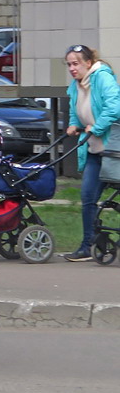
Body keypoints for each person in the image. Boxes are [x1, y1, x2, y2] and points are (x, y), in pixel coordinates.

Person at [62, 43, 120, 261]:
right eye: (69, 64)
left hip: (115, 151)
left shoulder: (102, 78)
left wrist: (96, 128)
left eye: (75, 63)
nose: (72, 68)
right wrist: (73, 124)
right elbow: (76, 109)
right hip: (96, 152)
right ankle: (87, 245)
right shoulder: (75, 86)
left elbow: (114, 108)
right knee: (88, 197)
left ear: (88, 63)